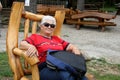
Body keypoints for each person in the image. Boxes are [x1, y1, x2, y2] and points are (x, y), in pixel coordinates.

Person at [19, 15, 87, 80]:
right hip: (46, 68)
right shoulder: (35, 37)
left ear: (54, 28)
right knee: (67, 76)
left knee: (81, 77)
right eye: (46, 24)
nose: (49, 27)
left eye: (52, 26)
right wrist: (30, 46)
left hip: (62, 65)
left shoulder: (56, 39)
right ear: (41, 26)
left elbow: (70, 46)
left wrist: (75, 50)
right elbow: (22, 44)